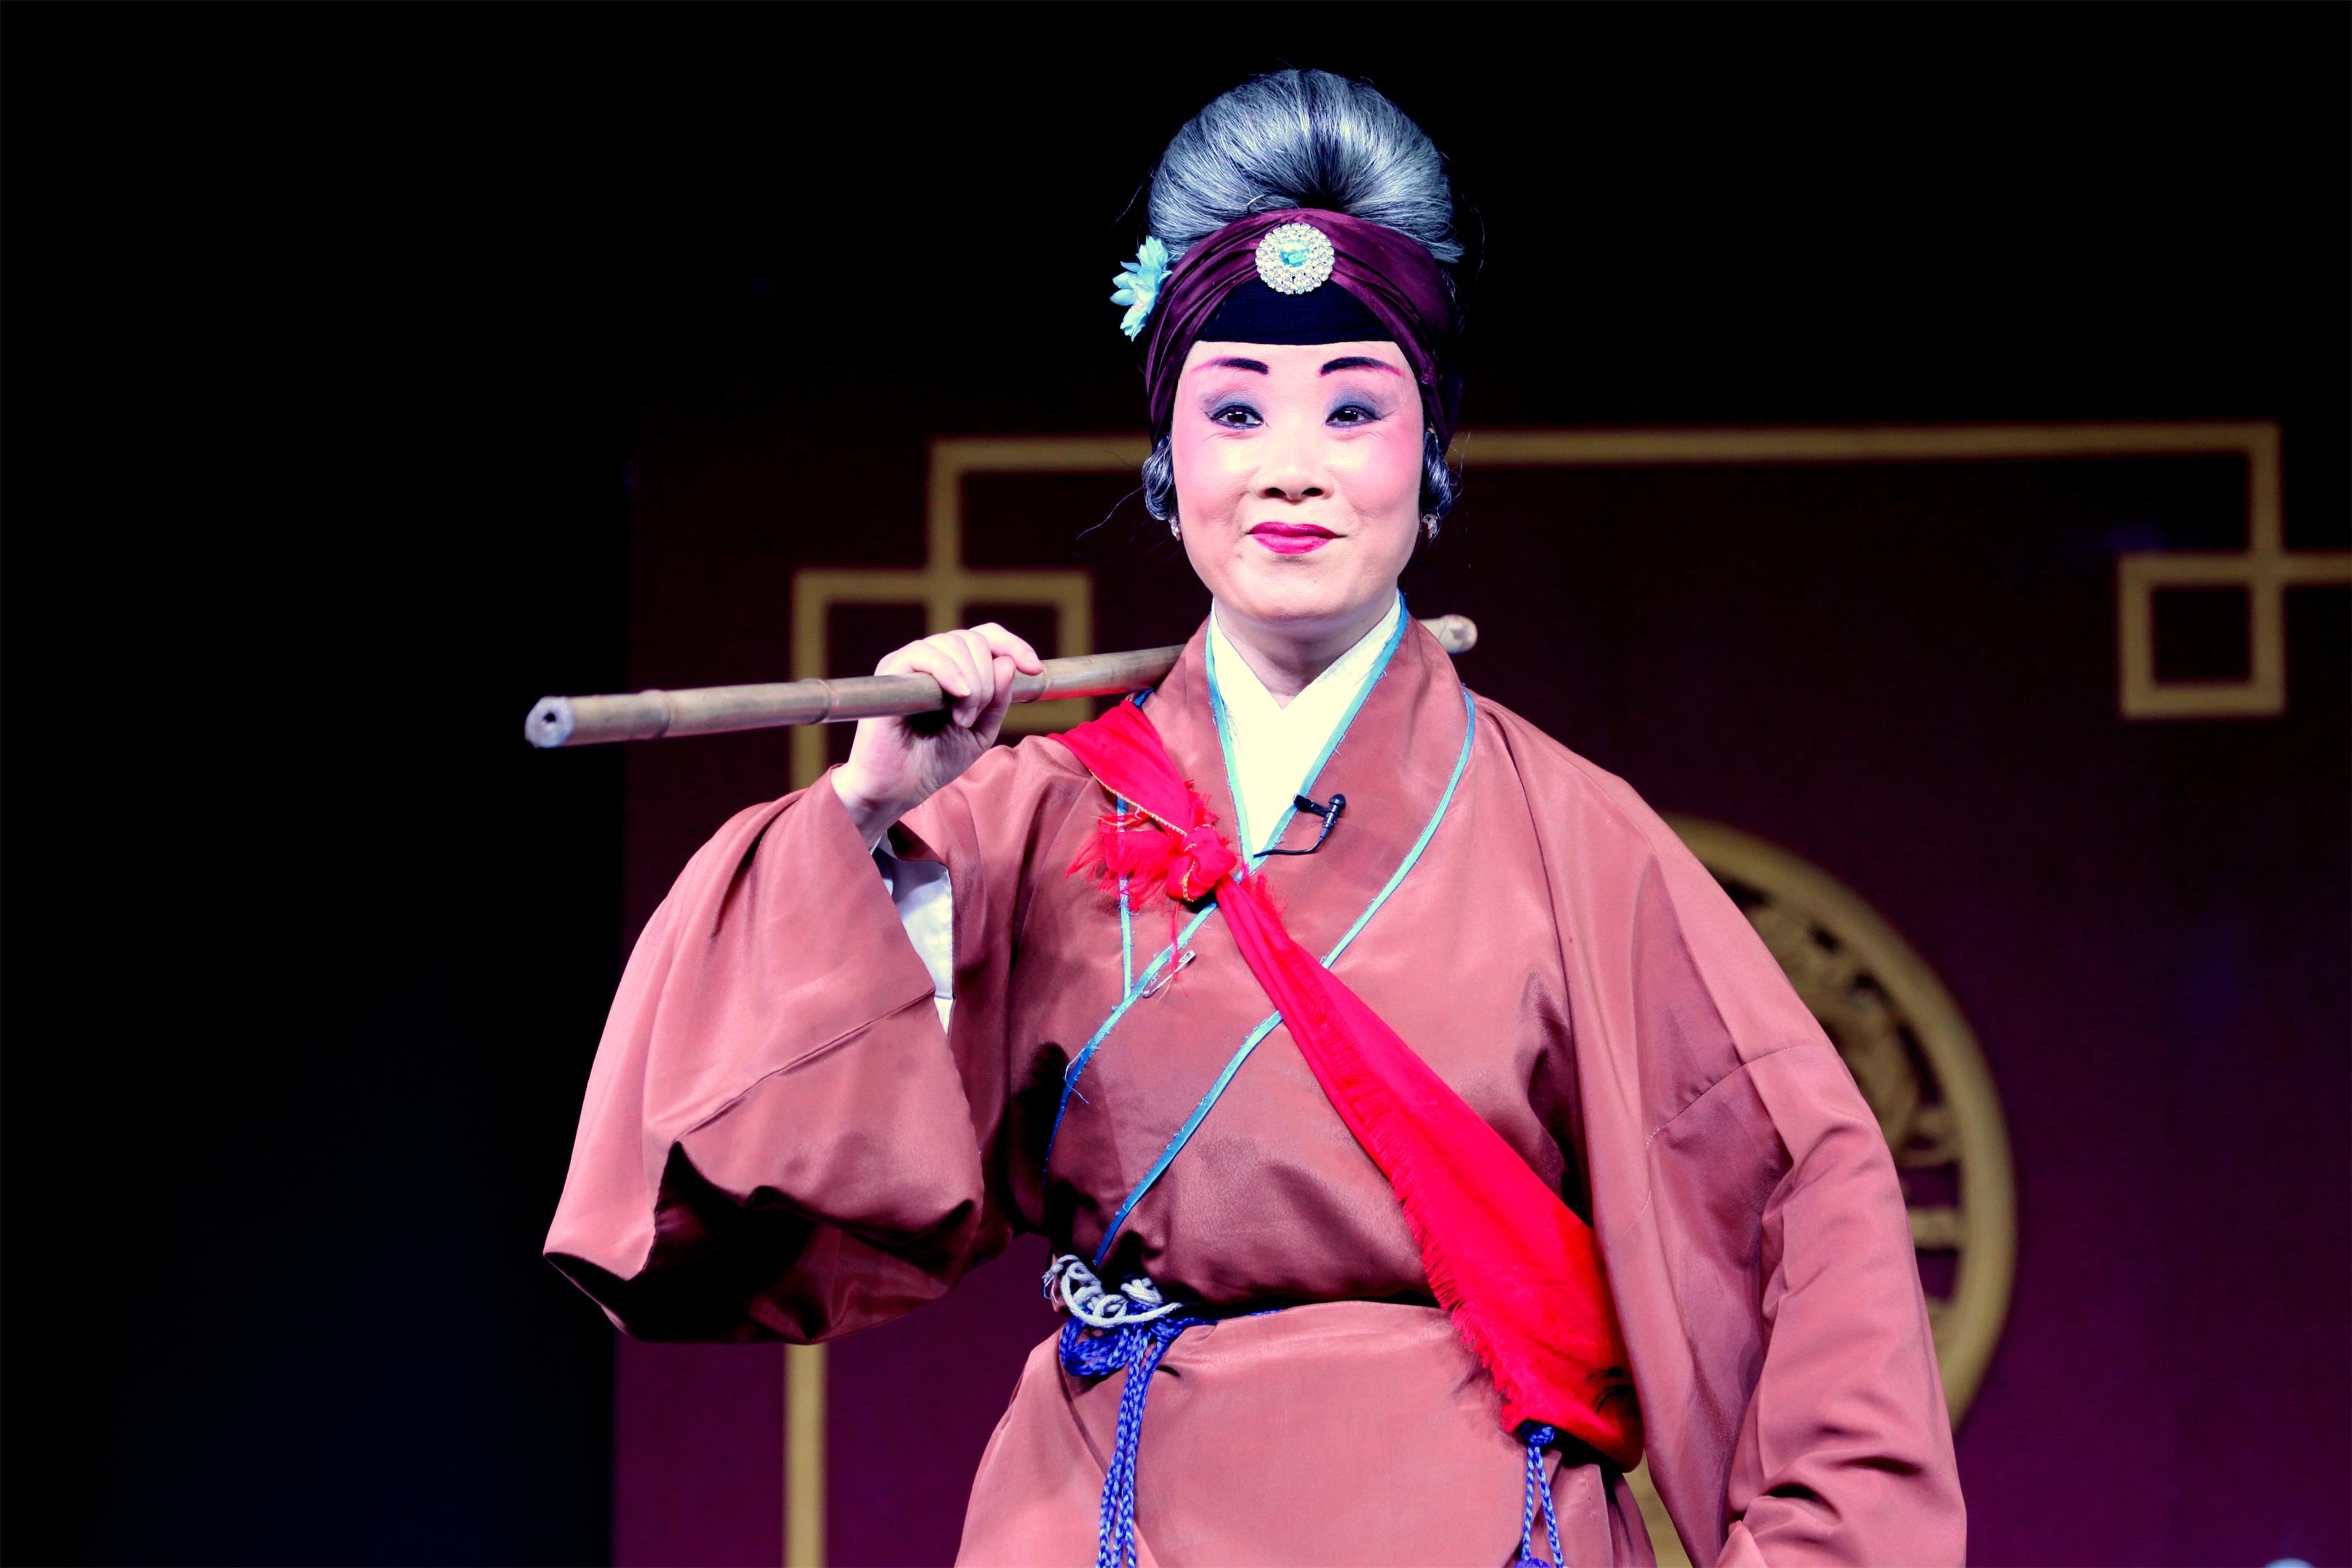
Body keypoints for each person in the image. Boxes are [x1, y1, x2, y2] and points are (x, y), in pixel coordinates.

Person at [545, 68, 1965, 1567]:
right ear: (1170, 465)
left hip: (1469, 1518)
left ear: (1430, 457)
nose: (1291, 467)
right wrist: (867, 814)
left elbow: (1793, 1203)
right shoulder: (1028, 815)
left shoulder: (1572, 834)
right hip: (1117, 1512)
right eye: (1235, 411)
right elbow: (744, 1164)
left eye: (1352, 409)